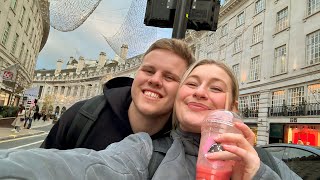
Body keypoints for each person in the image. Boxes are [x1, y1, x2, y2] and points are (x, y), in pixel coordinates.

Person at [0, 59, 301, 180]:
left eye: (216, 87)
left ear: (232, 105)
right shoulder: (144, 152)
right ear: (179, 96)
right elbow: (82, 168)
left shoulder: (267, 164)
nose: (200, 93)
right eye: (191, 83)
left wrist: (259, 176)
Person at [41, 38, 196, 150]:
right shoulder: (82, 116)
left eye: (169, 77)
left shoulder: (183, 145)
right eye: (148, 71)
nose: (155, 80)